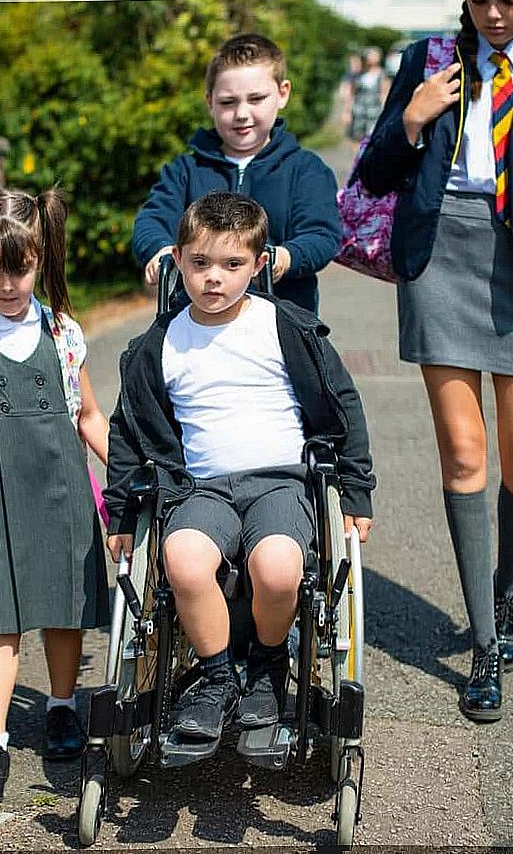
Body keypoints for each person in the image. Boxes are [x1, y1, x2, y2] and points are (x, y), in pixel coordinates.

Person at [354, 0, 513, 723]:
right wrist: (413, 116)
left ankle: (506, 586)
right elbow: (373, 173)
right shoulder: (429, 61)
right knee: (465, 453)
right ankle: (486, 647)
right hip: (440, 261)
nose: (495, 12)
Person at [106, 192, 375, 748]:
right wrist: (122, 514)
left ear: (257, 266)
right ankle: (217, 676)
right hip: (200, 488)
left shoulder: (286, 327)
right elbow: (128, 431)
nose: (213, 279)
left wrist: (355, 493)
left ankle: (270, 666)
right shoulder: (160, 345)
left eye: (231, 265)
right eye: (200, 263)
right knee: (182, 561)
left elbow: (343, 405)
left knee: (278, 569)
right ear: (177, 261)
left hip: (281, 481)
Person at [0, 187, 111, 807]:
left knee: (63, 610)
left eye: (21, 268)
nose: (8, 284)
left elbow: (87, 415)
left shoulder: (62, 332)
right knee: (0, 623)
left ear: (41, 257)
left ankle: (61, 710)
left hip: (64, 492)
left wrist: (132, 468)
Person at [132, 33, 340, 314]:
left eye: (256, 99)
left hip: (281, 320)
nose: (242, 113)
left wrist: (283, 258)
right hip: (195, 321)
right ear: (210, 102)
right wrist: (159, 250)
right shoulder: (185, 170)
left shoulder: (306, 170)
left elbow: (321, 235)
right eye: (228, 102)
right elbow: (152, 220)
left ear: (282, 93)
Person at [347, 46, 389, 143]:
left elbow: (384, 93)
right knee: (356, 138)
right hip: (358, 110)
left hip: (374, 111)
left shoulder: (382, 74)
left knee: (372, 139)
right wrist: (347, 111)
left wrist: (385, 112)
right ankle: (357, 158)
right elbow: (352, 93)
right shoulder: (358, 74)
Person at [339, 51, 364, 137]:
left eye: (357, 62)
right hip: (354, 111)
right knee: (355, 137)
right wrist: (346, 112)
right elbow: (345, 96)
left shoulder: (364, 75)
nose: (355, 65)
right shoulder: (348, 78)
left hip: (365, 112)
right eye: (353, 63)